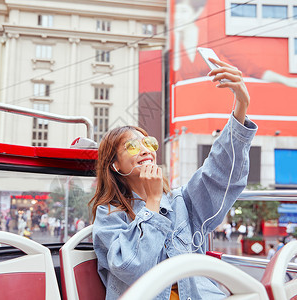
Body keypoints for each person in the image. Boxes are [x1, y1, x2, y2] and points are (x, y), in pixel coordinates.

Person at [90, 59, 257, 300]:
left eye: (149, 143)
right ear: (115, 165)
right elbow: (132, 267)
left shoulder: (180, 201)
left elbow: (219, 174)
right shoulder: (109, 215)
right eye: (132, 146)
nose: (146, 150)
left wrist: (241, 104)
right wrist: (152, 203)